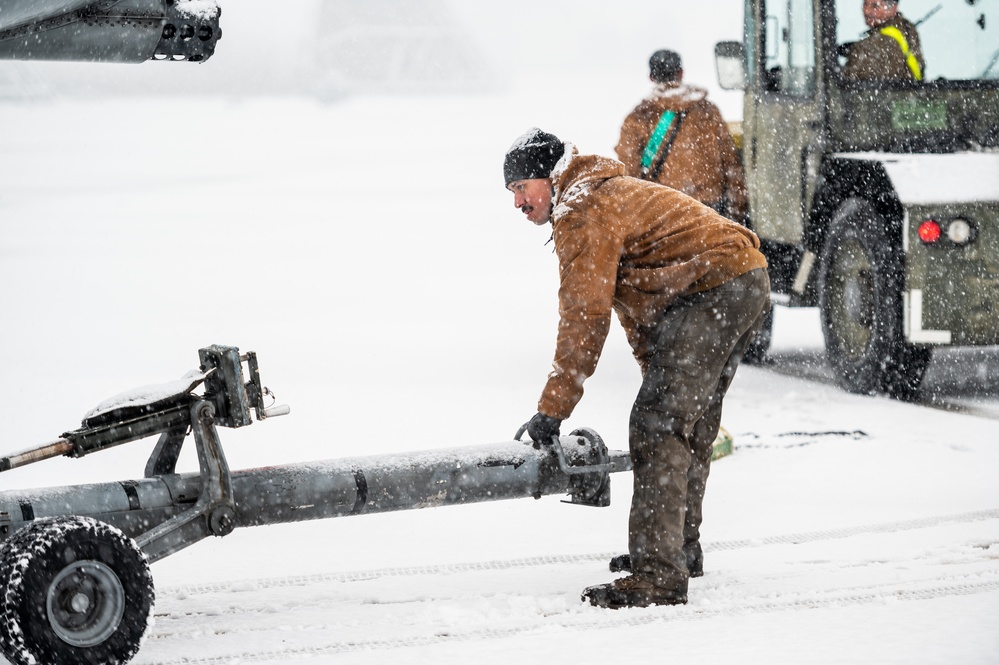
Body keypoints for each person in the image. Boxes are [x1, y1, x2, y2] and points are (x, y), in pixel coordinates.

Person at [504, 128, 769, 609]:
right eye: (512, 193)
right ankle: (677, 550)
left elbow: (585, 314)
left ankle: (659, 576)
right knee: (686, 421)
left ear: (549, 177)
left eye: (522, 187)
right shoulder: (599, 197)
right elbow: (635, 307)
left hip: (713, 287)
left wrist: (553, 409)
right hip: (741, 279)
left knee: (657, 424)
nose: (518, 203)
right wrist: (655, 373)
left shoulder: (580, 207)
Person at [615, 49, 747, 226]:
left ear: (651, 77)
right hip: (710, 213)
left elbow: (630, 176)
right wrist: (735, 214)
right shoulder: (708, 111)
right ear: (681, 73)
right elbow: (731, 166)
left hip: (665, 215)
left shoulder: (638, 118)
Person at [842, 0, 925, 82]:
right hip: (907, 93)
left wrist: (856, 51)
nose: (867, 11)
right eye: (865, 4)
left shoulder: (871, 47)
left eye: (875, 6)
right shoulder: (907, 29)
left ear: (893, 8)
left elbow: (846, 82)